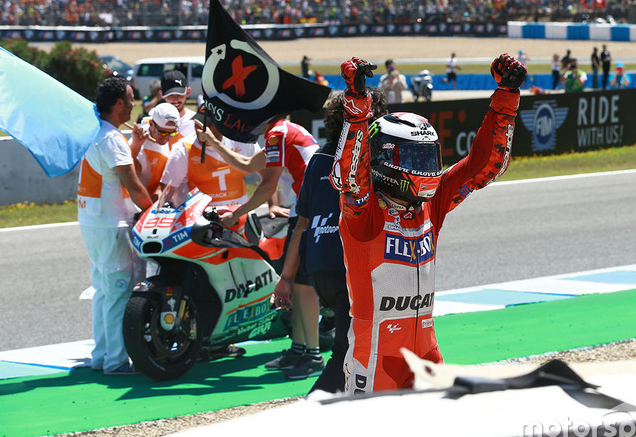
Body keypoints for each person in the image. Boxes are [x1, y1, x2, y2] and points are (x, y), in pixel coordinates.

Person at [330, 53, 524, 394]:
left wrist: (505, 95)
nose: (426, 166)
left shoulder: (431, 205)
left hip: (427, 351)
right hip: (376, 356)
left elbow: (487, 165)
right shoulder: (364, 213)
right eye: (415, 157)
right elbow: (350, 177)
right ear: (384, 157)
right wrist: (358, 108)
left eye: (428, 155)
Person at [274, 88, 389, 392]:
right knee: (344, 353)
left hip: (319, 268)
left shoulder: (319, 158)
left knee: (355, 349)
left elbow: (302, 224)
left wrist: (286, 278)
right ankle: (314, 412)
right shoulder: (371, 157)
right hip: (350, 265)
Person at [212, 116, 322, 379]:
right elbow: (247, 164)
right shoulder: (283, 131)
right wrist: (212, 143)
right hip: (307, 206)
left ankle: (314, 355)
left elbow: (266, 186)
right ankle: (299, 349)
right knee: (296, 281)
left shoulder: (277, 134)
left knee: (304, 284)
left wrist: (235, 213)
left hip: (311, 209)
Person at [77, 77, 153, 376]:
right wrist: (157, 211)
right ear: (119, 103)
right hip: (112, 224)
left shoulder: (98, 133)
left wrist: (134, 144)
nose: (134, 103)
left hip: (92, 221)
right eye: (131, 98)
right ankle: (116, 361)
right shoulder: (111, 139)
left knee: (103, 291)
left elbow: (116, 168)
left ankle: (101, 356)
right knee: (119, 292)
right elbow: (134, 186)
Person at [129, 102, 180, 199]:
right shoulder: (139, 144)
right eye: (163, 133)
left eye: (172, 133)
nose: (167, 138)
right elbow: (126, 182)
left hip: (154, 201)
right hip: (137, 206)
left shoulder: (163, 137)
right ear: (151, 124)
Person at [161, 70, 196, 138]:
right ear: (161, 94)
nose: (175, 100)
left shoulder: (197, 122)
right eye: (170, 95)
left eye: (179, 94)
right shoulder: (154, 122)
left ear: (188, 92)